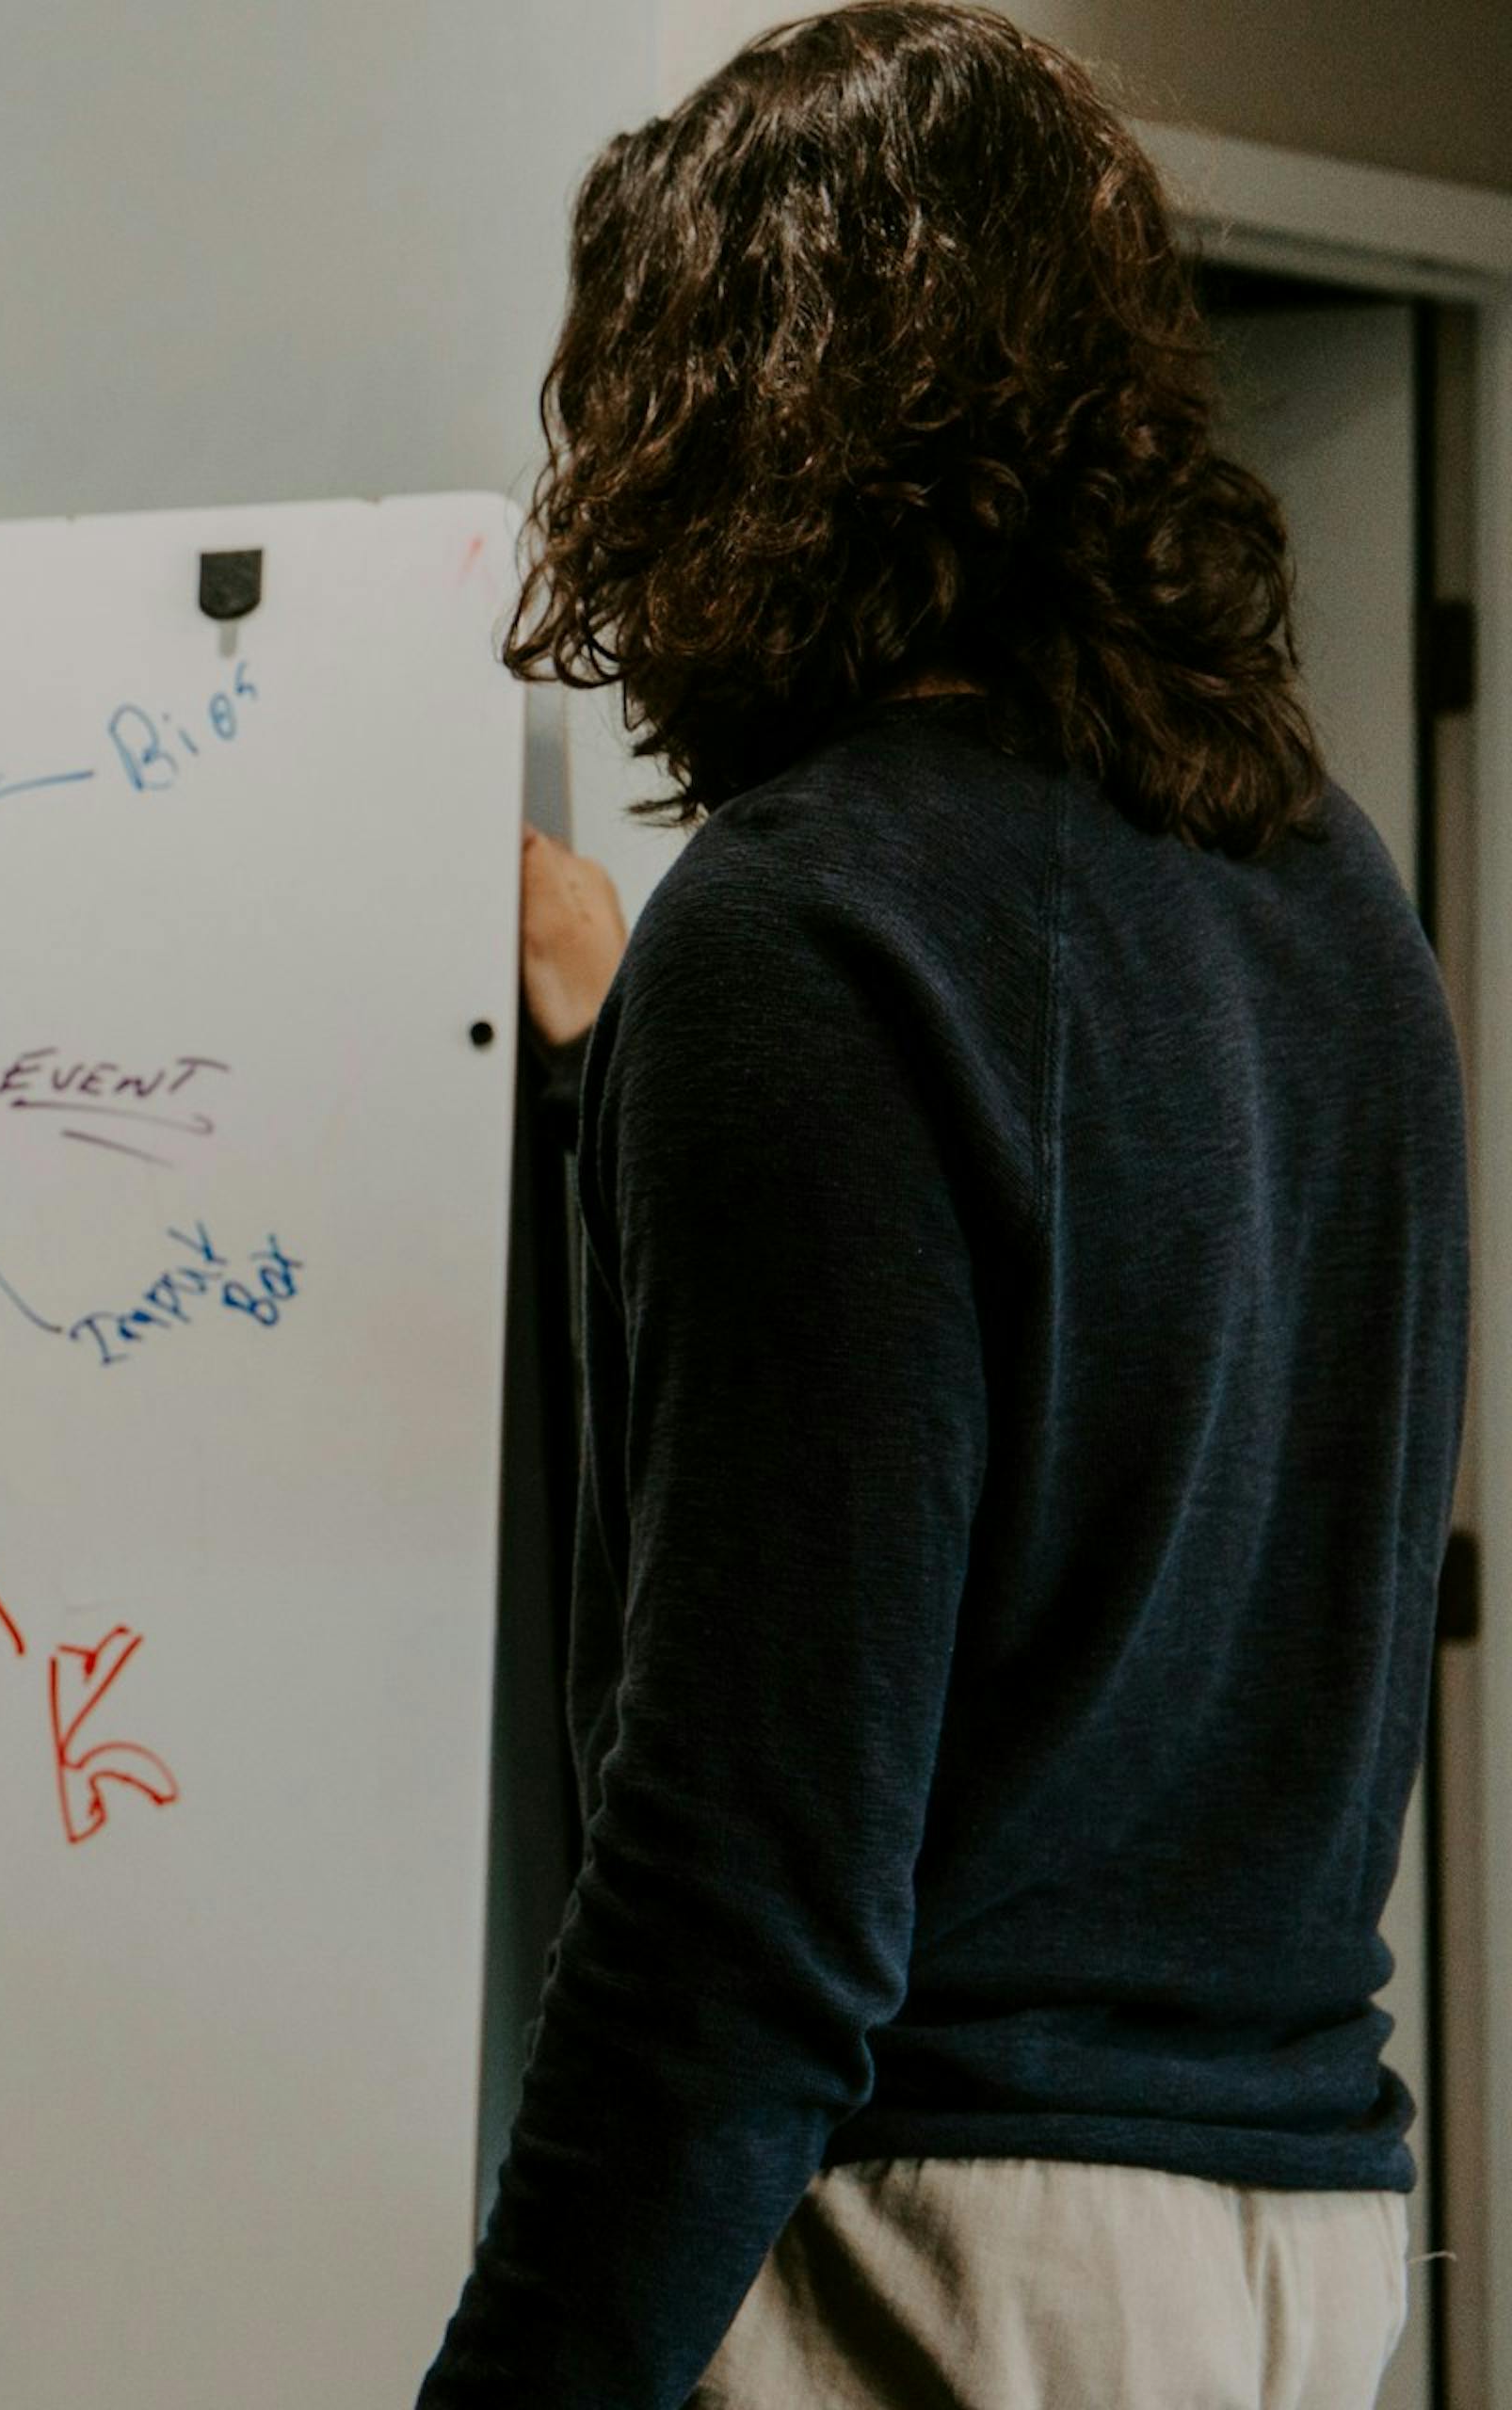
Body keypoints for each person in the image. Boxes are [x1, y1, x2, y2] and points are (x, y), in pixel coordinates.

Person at [422, 8, 1460, 2405]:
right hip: (1305, 2241)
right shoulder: (1324, 892)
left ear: (725, 428)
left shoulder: (807, 933)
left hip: (952, 2255)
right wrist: (622, 1075)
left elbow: (744, 1895)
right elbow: (1100, 1427)